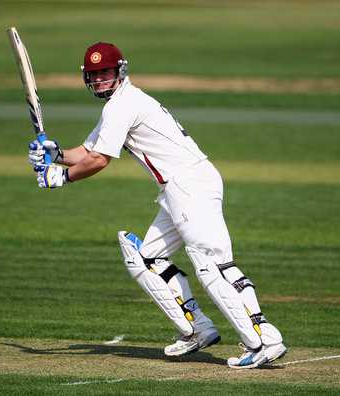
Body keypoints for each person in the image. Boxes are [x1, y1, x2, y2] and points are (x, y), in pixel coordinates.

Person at [28, 42, 286, 369]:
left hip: (188, 185)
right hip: (183, 187)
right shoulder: (122, 104)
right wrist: (53, 153)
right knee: (146, 255)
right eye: (94, 75)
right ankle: (197, 329)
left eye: (105, 73)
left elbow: (98, 161)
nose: (100, 80)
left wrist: (61, 178)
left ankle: (261, 339)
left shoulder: (122, 106)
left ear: (120, 71)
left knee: (210, 262)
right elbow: (86, 151)